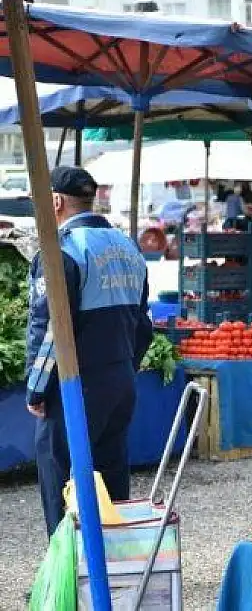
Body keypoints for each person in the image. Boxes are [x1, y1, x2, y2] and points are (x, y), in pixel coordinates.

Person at [28, 166, 153, 535]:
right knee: (112, 476)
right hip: (120, 380)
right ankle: (115, 564)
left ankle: (68, 574)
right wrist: (126, 367)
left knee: (61, 479)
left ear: (55, 201)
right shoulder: (127, 247)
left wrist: (36, 388)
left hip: (74, 384)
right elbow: (143, 324)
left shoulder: (61, 251)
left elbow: (50, 329)